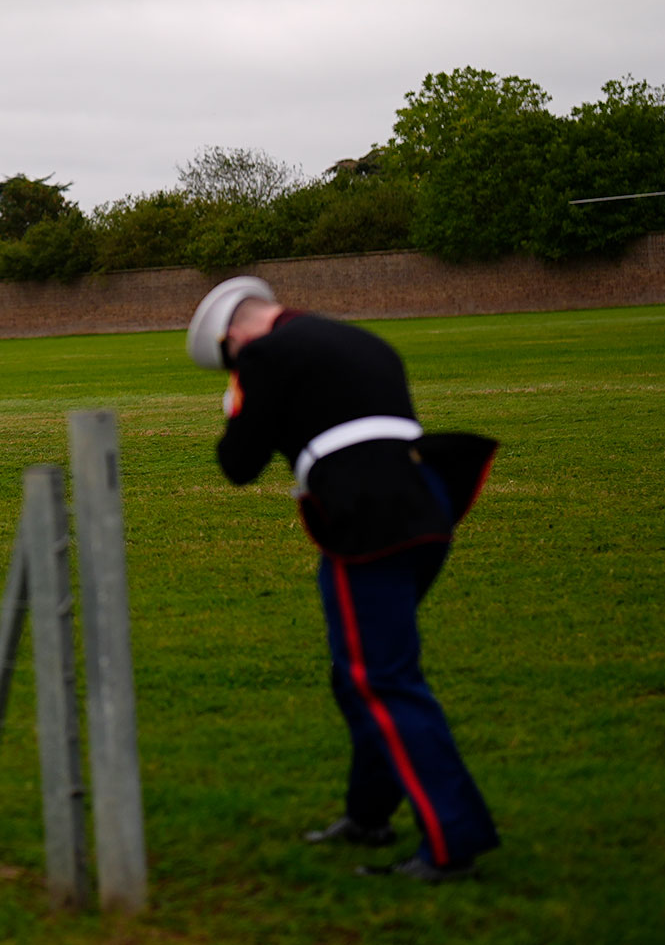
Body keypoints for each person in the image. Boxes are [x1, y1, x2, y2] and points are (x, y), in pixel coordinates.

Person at [187, 275, 501, 883]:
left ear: (234, 338)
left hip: (369, 519)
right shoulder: (360, 340)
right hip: (426, 502)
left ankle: (452, 840)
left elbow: (239, 465)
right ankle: (368, 813)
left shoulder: (264, 354)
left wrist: (237, 410)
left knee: (382, 678)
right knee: (357, 670)